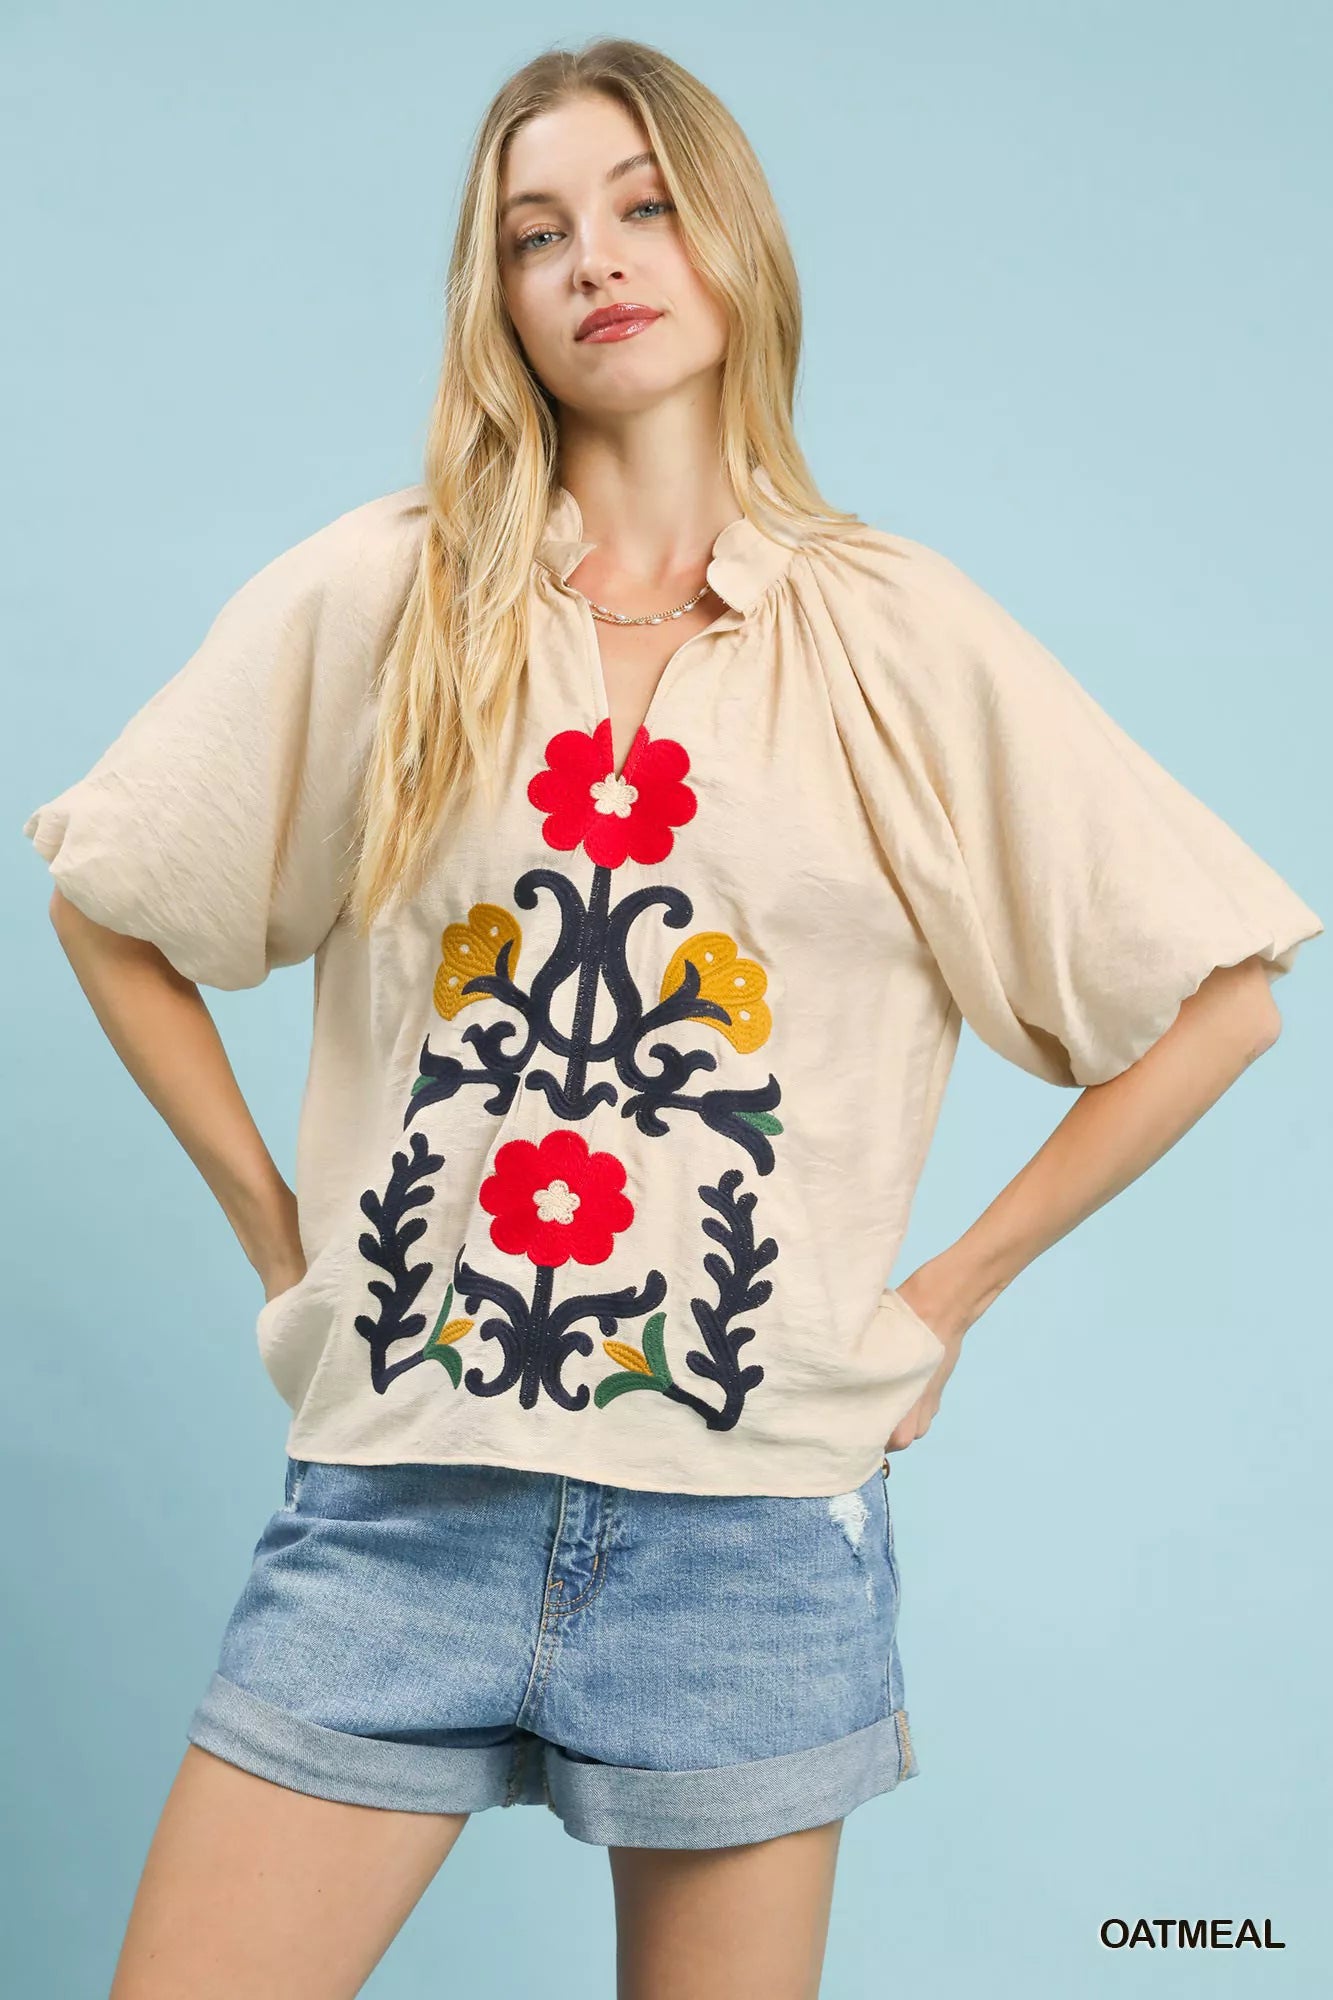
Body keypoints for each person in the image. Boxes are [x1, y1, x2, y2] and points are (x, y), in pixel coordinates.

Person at [24, 37, 1322, 2000]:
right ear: (498, 297)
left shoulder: (891, 632)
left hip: (752, 1534)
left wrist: (945, 1297)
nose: (594, 261)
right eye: (534, 233)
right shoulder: (390, 596)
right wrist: (283, 1245)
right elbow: (112, 899)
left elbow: (1220, 1000)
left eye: (641, 206)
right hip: (400, 1500)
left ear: (733, 243)